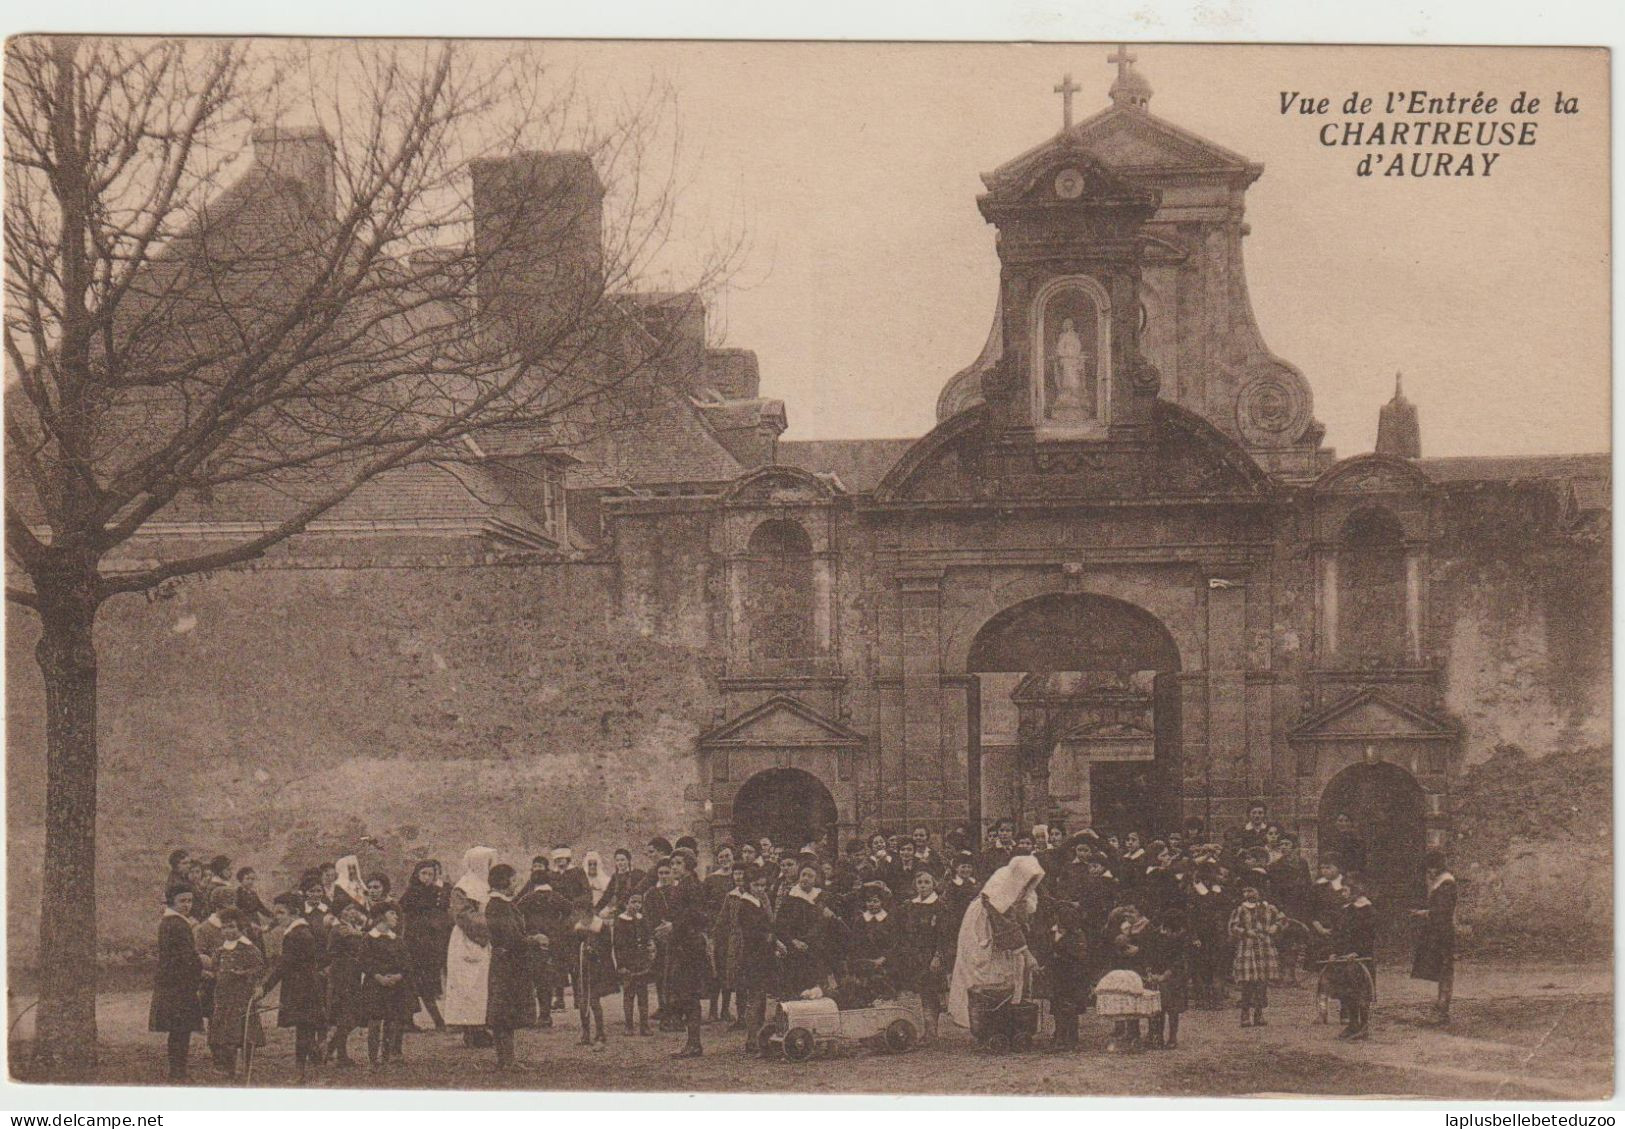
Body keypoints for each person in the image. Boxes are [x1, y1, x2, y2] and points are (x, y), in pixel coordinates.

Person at [946, 854, 1045, 1029]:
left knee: (1009, 969)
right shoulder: (1001, 884)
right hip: (984, 926)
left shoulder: (1020, 883)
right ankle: (986, 1020)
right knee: (985, 971)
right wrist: (1028, 955)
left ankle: (1004, 1017)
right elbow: (1005, 924)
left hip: (999, 927)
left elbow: (1021, 913)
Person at [255, 892, 327, 1082]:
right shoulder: (299, 932)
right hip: (304, 988)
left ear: (294, 912)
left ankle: (301, 1072)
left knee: (304, 1032)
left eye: (280, 912)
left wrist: (264, 988)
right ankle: (316, 1069)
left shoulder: (298, 935)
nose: (276, 917)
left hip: (303, 990)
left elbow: (283, 966)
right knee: (306, 1032)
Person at [485, 863, 541, 1068]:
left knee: (505, 1014)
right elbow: (511, 938)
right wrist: (534, 940)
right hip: (507, 965)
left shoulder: (503, 904)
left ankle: (507, 1060)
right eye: (513, 879)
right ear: (503, 881)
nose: (515, 884)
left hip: (509, 964)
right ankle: (506, 1061)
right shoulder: (498, 905)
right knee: (503, 1014)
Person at [657, 856, 713, 1058]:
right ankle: (691, 1041)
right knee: (683, 993)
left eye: (678, 864)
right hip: (681, 946)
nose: (673, 867)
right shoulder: (682, 885)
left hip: (690, 948)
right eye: (672, 864)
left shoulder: (693, 886)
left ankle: (694, 1043)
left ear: (688, 866)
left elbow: (697, 915)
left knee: (689, 994)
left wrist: (674, 926)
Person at [150, 886, 207, 1082]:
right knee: (180, 1030)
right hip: (177, 983)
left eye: (190, 901)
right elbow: (184, 956)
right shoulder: (176, 924)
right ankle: (177, 1072)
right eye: (182, 901)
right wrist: (203, 964)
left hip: (176, 980)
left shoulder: (173, 922)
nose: (187, 905)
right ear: (172, 901)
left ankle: (178, 1071)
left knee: (179, 1030)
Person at [444, 846, 496, 1044]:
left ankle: (480, 1027)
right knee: (468, 985)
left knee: (482, 985)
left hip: (484, 939)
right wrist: (488, 925)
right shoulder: (463, 887)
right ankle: (470, 1030)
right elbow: (463, 916)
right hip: (467, 940)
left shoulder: (486, 886)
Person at [896, 870, 953, 1043]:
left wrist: (938, 956)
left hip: (931, 956)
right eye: (920, 882)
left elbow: (944, 935)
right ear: (915, 885)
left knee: (930, 994)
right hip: (913, 956)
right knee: (917, 993)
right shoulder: (909, 906)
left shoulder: (939, 906)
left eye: (927, 882)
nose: (923, 886)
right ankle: (918, 1031)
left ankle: (931, 1032)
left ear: (933, 884)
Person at [206, 908, 265, 1076]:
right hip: (224, 998)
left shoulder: (249, 949)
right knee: (225, 1035)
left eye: (232, 927)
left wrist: (245, 974)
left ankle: (247, 1066)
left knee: (245, 1033)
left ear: (241, 929)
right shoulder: (221, 950)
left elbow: (260, 968)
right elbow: (215, 967)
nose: (227, 931)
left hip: (242, 997)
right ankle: (228, 1067)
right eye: (224, 928)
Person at [1031, 892, 1088, 1051]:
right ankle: (1060, 1035)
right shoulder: (1051, 933)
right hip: (1056, 975)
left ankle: (1069, 1038)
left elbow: (1080, 956)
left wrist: (1061, 955)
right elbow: (1046, 951)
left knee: (1069, 1006)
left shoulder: (1077, 935)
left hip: (1071, 976)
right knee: (1057, 1005)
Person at [360, 900, 413, 1067]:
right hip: (375, 986)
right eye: (392, 913)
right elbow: (364, 961)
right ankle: (373, 1059)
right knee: (375, 1022)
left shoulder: (397, 939)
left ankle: (386, 1057)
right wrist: (378, 976)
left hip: (394, 986)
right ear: (381, 917)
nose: (396, 917)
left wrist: (398, 976)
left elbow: (406, 962)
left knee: (391, 1021)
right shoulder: (369, 938)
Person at [399, 860, 449, 1031]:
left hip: (430, 943)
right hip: (414, 943)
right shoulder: (411, 893)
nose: (426, 878)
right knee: (413, 983)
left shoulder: (437, 892)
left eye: (430, 874)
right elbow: (403, 913)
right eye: (423, 874)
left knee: (426, 983)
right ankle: (412, 1021)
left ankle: (435, 1021)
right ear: (417, 874)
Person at [735, 871, 780, 1055]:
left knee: (760, 997)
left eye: (763, 886)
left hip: (762, 956)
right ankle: (752, 1038)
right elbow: (755, 933)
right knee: (754, 998)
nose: (760, 889)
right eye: (756, 886)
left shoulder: (759, 902)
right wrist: (770, 937)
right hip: (754, 957)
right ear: (748, 886)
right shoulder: (745, 905)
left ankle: (758, 1037)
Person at [1229, 885, 1285, 1028]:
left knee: (1262, 982)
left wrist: (1275, 927)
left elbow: (1282, 920)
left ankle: (1259, 1013)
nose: (1247, 894)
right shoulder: (1241, 909)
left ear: (1259, 891)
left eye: (1251, 890)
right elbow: (1233, 927)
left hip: (1265, 946)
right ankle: (1245, 1013)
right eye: (1245, 891)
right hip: (1248, 947)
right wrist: (1246, 932)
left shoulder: (1269, 908)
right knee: (1247, 982)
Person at [1411, 851, 1457, 1025]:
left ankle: (1443, 1008)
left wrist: (1425, 913)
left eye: (1433, 869)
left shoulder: (1446, 883)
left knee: (1445, 968)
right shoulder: (1441, 882)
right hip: (1438, 930)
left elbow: (1443, 911)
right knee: (1441, 967)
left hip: (1443, 932)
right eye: (1428, 869)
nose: (1430, 873)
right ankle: (1441, 1005)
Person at [1330, 874, 1377, 1040]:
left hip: (1361, 958)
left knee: (1362, 991)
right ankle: (1352, 1024)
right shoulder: (1346, 910)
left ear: (1357, 891)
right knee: (1347, 991)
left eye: (1346, 890)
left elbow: (1368, 935)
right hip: (1345, 958)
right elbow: (1339, 934)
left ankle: (1363, 1025)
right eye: (1342, 890)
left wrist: (1357, 952)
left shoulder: (1367, 910)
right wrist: (1335, 952)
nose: (1343, 893)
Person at [323, 903, 368, 1066]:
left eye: (355, 909)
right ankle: (338, 1054)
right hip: (343, 974)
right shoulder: (341, 929)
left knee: (351, 1015)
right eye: (349, 909)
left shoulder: (349, 927)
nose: (353, 912)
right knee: (348, 1014)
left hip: (350, 973)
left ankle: (329, 1048)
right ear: (342, 912)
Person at [1144, 910, 1193, 1050]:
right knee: (1156, 1008)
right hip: (1156, 976)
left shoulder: (1181, 939)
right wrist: (1150, 972)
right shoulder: (1154, 937)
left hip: (1173, 978)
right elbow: (1148, 955)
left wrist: (1166, 975)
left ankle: (1172, 1037)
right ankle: (1157, 1037)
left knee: (1172, 1009)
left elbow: (1180, 960)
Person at [611, 891, 657, 1036]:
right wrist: (621, 965)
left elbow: (648, 937)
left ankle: (644, 1025)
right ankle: (629, 1025)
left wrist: (649, 952)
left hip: (641, 961)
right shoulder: (620, 921)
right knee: (629, 994)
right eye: (633, 902)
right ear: (626, 904)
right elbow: (618, 946)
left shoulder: (642, 919)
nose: (636, 905)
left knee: (643, 993)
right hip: (628, 962)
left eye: (639, 902)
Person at [575, 903, 617, 1049]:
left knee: (593, 1001)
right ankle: (585, 1033)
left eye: (584, 915)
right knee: (582, 1001)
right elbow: (573, 945)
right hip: (582, 969)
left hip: (597, 970)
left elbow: (607, 947)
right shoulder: (578, 927)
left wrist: (594, 951)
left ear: (590, 914)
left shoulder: (601, 927)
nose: (582, 918)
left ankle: (600, 1033)